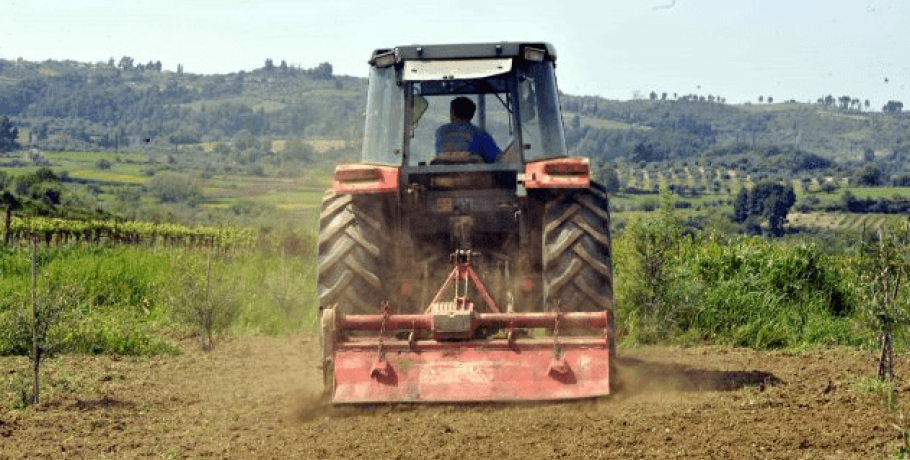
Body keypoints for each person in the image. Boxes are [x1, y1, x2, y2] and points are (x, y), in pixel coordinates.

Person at [434, 97, 501, 163]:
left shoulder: (440, 131)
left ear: (452, 112)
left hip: (442, 173)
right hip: (474, 173)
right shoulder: (480, 134)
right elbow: (498, 158)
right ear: (472, 115)